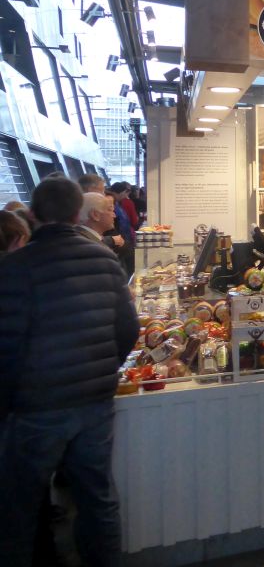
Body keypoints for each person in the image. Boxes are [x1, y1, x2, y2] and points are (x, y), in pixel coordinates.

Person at [0, 177, 138, 566]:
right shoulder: (103, 258)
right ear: (78, 213)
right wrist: (101, 369)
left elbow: (7, 343)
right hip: (94, 402)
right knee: (97, 498)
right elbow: (127, 329)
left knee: (21, 506)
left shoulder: (15, 267)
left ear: (32, 214)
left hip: (35, 406)